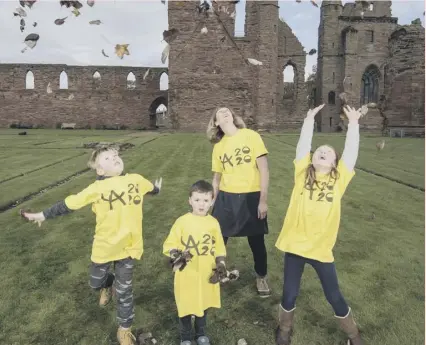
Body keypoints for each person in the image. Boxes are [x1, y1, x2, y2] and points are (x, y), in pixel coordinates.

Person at [20, 147, 162, 345]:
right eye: (107, 157)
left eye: (116, 155)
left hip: (129, 248)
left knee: (125, 292)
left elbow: (151, 189)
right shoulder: (96, 189)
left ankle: (124, 329)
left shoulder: (136, 179)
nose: (115, 158)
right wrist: (42, 215)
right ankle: (107, 284)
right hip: (104, 248)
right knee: (95, 282)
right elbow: (69, 204)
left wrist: (157, 188)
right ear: (100, 170)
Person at [275, 104, 365, 345]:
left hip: (321, 248)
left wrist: (354, 124)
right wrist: (308, 121)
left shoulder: (339, 179)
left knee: (333, 295)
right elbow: (303, 146)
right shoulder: (302, 172)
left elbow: (351, 153)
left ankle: (353, 335)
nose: (321, 152)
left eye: (328, 152)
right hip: (295, 244)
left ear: (335, 163)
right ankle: (284, 328)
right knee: (289, 293)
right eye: (319, 151)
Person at [206, 107, 270, 297]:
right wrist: (211, 203)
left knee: (256, 241)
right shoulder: (219, 147)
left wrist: (263, 200)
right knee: (219, 240)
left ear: (233, 117)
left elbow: (264, 170)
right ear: (216, 123)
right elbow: (216, 179)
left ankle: (261, 276)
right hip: (226, 198)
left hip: (251, 196)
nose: (225, 113)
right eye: (220, 113)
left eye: (228, 111)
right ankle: (216, 274)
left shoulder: (251, 136)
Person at [163, 180, 227, 345]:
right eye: (197, 200)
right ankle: (185, 337)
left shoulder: (213, 223)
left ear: (212, 201)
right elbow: (170, 244)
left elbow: (219, 246)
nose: (201, 204)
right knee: (185, 305)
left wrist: (221, 264)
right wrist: (176, 254)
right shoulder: (182, 222)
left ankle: (200, 333)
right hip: (187, 273)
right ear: (189, 200)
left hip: (206, 272)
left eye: (206, 200)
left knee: (203, 304)